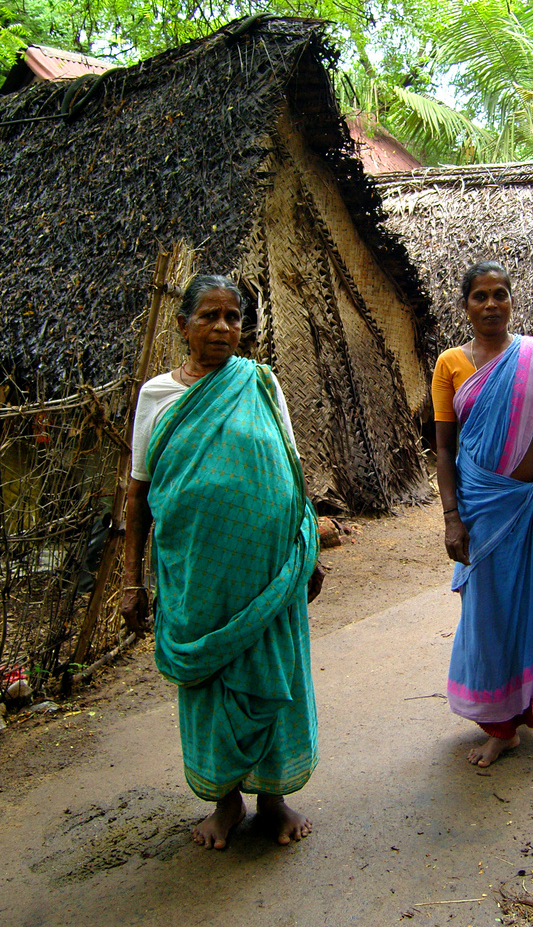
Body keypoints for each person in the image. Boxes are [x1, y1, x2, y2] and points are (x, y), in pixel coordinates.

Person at [122, 274, 323, 850]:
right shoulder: (158, 397)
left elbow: (291, 471)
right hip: (197, 578)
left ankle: (274, 798)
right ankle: (226, 802)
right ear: (183, 324)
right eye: (208, 316)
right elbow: (138, 495)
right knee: (211, 683)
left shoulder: (261, 384)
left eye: (233, 317)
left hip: (268, 575)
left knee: (273, 675)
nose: (222, 328)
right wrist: (131, 583)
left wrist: (305, 552)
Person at [432, 262, 533, 768]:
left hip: (532, 509)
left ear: (513, 301)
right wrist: (452, 516)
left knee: (532, 610)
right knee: (488, 615)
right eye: (479, 296)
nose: (491, 304)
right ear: (465, 305)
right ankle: (499, 722)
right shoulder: (450, 364)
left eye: (500, 295)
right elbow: (444, 448)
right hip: (479, 509)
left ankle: (520, 716)